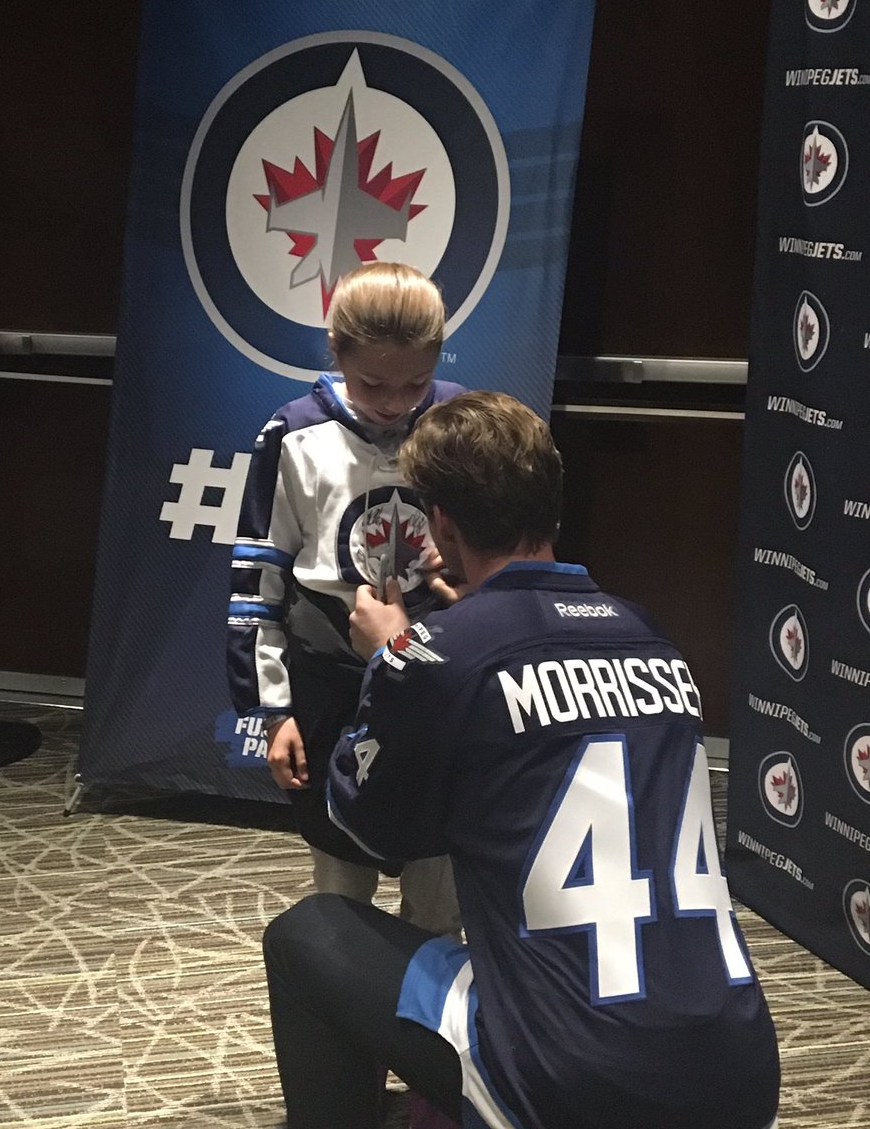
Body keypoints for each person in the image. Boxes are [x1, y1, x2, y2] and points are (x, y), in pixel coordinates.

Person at [262, 391, 781, 1129]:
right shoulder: (653, 638)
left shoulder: (437, 658)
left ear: (440, 523)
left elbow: (370, 828)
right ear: (555, 509)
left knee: (311, 932)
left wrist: (391, 658)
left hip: (573, 1086)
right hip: (742, 1077)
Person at [227, 261, 463, 940]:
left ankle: (431, 1035)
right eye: (372, 384)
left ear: (438, 361)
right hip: (331, 678)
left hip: (437, 679)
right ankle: (347, 1026)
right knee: (340, 886)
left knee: (440, 885)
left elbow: (501, 549)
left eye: (414, 382)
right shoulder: (292, 435)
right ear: (336, 353)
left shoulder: (456, 420)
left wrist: (468, 572)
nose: (394, 403)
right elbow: (258, 579)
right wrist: (272, 713)